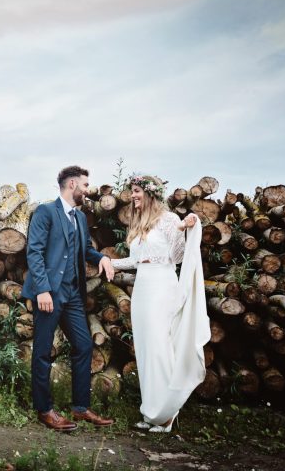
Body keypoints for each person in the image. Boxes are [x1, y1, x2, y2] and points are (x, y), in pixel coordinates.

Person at [109, 174, 210, 433]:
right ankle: (152, 411)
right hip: (142, 286)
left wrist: (186, 227)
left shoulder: (168, 220)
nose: (132, 196)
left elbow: (176, 257)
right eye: (131, 192)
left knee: (158, 346)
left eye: (136, 191)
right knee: (144, 349)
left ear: (149, 193)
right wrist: (108, 262)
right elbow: (136, 261)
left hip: (162, 286)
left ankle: (166, 413)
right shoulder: (139, 222)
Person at [22, 165, 116, 431]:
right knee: (42, 351)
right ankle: (44, 410)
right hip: (49, 293)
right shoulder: (46, 212)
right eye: (85, 185)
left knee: (84, 345)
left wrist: (103, 258)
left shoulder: (80, 217)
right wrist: (42, 289)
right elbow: (34, 251)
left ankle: (80, 408)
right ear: (72, 184)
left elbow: (86, 249)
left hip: (73, 294)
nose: (88, 190)